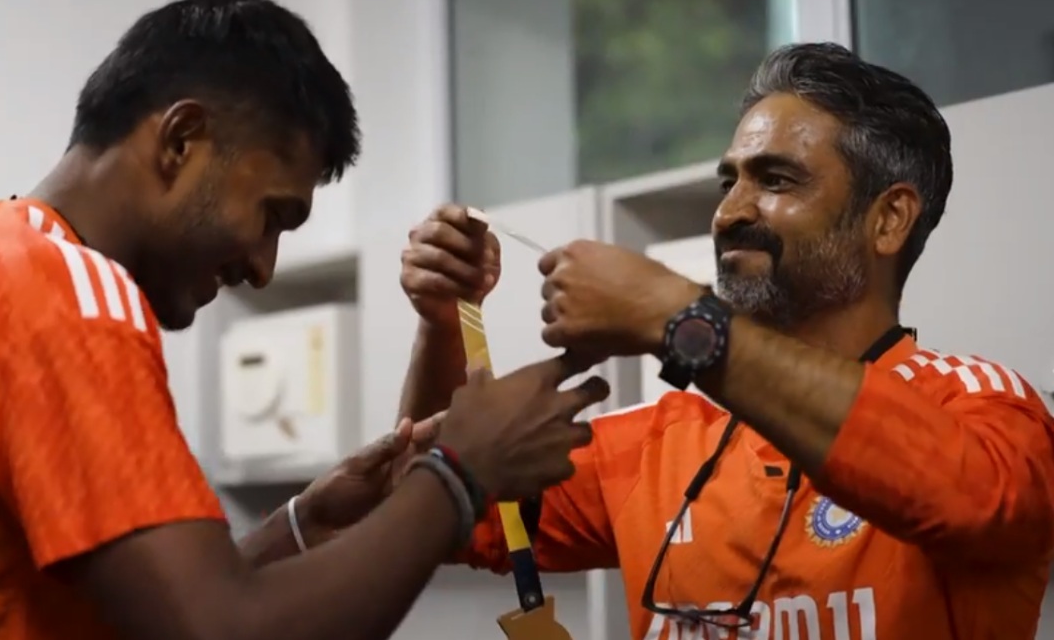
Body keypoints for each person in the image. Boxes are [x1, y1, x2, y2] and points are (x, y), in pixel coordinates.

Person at [0, 0, 611, 640]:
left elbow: (146, 613)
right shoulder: (62, 294)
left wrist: (300, 527)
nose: (262, 266)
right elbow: (220, 629)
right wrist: (459, 475)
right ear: (181, 140)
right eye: (272, 215)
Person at [398, 42, 1054, 640]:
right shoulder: (658, 442)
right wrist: (443, 323)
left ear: (888, 220)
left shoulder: (983, 407)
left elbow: (975, 500)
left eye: (776, 180)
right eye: (729, 181)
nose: (729, 212)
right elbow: (440, 508)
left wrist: (676, 316)